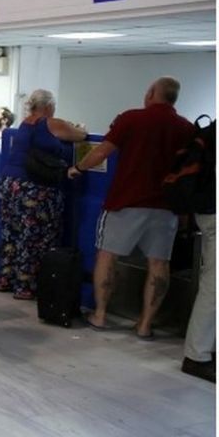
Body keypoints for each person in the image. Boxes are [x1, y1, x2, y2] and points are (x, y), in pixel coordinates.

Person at [70, 77, 195, 337]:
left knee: (107, 256)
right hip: (166, 206)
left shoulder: (131, 119)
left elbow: (102, 152)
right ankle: (145, 325)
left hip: (125, 202)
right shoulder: (186, 127)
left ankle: (101, 315)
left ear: (151, 93)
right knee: (160, 264)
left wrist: (78, 168)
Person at [0, 90, 86, 300]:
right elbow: (80, 135)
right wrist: (80, 127)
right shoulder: (50, 122)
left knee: (13, 233)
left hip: (10, 182)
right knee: (35, 237)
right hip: (35, 186)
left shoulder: (25, 123)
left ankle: (7, 278)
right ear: (47, 107)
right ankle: (26, 286)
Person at [183, 117, 215, 382]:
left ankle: (203, 350)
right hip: (214, 212)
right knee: (214, 285)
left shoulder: (210, 132)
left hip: (207, 210)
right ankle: (197, 355)